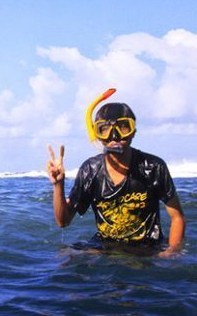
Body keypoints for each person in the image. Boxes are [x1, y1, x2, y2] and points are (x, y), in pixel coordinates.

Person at [46, 89, 186, 257]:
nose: (114, 136)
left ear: (133, 131)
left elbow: (177, 217)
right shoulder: (90, 170)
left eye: (123, 128)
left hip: (147, 248)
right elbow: (63, 221)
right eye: (104, 129)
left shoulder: (154, 167)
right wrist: (58, 185)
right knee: (64, 256)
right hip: (105, 246)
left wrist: (173, 251)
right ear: (96, 135)